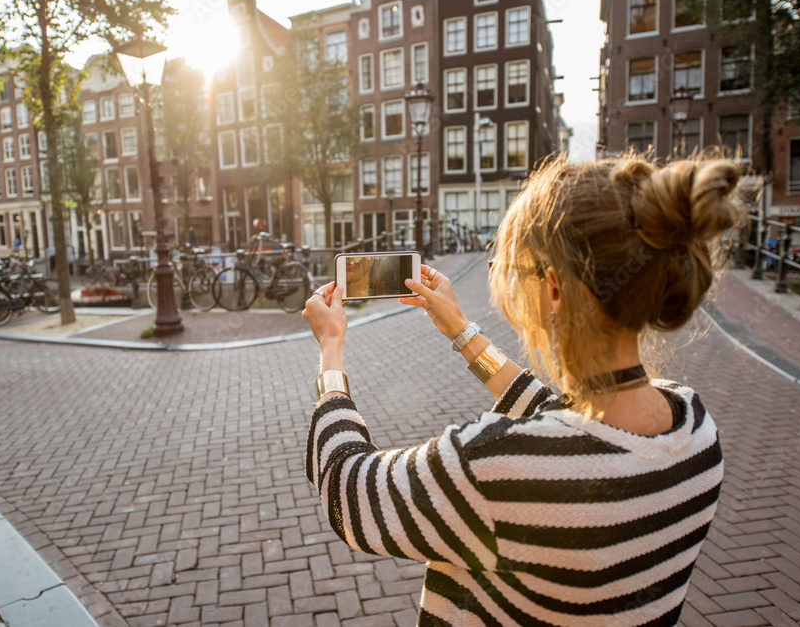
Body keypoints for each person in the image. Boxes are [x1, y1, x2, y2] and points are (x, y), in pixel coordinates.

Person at [302, 155, 744, 626]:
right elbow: (561, 419)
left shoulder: (496, 464)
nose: (506, 280)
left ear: (553, 288)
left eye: (515, 268)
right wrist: (460, 330)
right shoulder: (696, 430)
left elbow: (349, 491)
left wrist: (331, 348)